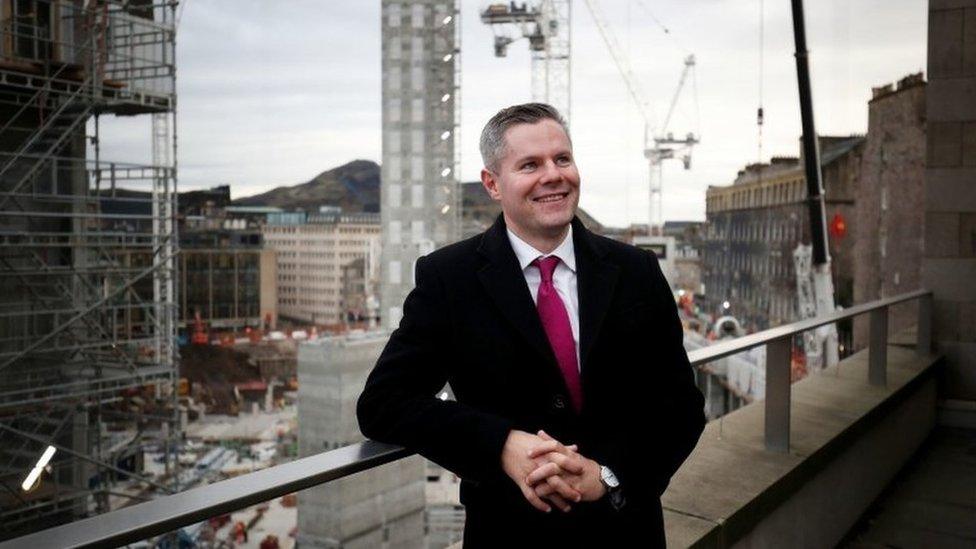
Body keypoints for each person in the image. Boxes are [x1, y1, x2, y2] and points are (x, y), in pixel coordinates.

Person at [357, 103, 705, 547]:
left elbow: (680, 406)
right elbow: (384, 403)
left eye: (562, 159)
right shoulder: (450, 278)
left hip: (624, 533)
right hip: (509, 535)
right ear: (492, 184)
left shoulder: (635, 270)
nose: (553, 175)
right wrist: (501, 445)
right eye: (529, 165)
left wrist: (609, 474)